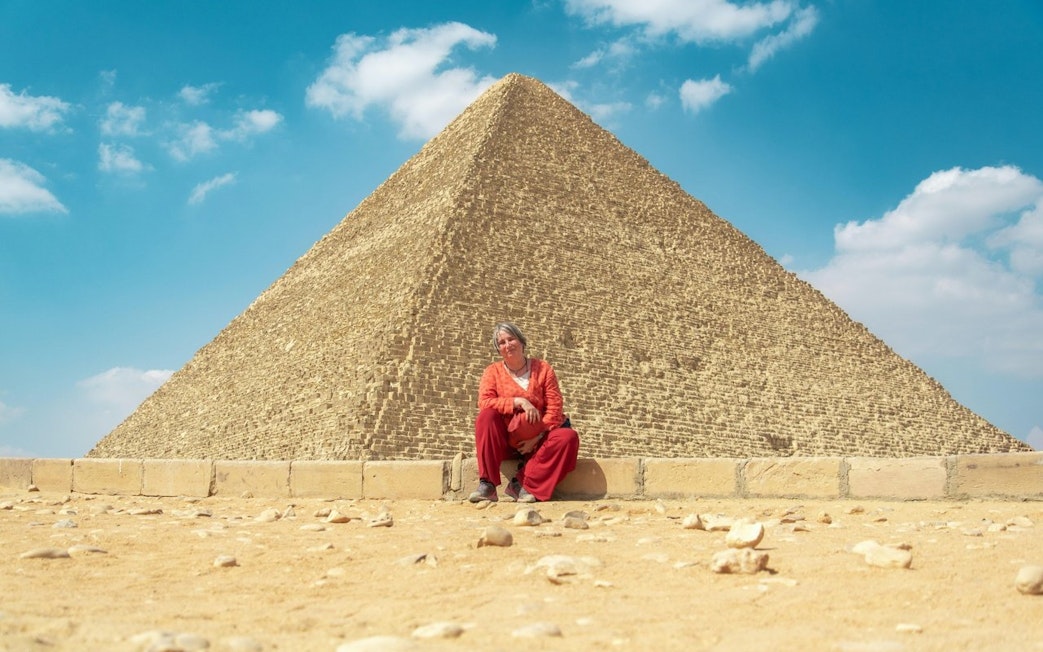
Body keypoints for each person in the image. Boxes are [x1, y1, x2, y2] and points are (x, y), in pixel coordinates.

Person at [469, 322, 580, 503]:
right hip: (505, 440)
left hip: (539, 437)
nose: (507, 345)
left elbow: (555, 408)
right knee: (486, 416)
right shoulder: (492, 372)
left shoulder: (543, 369)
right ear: (498, 349)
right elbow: (485, 402)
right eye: (502, 343)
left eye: (511, 339)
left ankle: (522, 484)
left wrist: (536, 438)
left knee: (568, 437)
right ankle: (487, 484)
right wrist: (518, 402)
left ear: (521, 341)